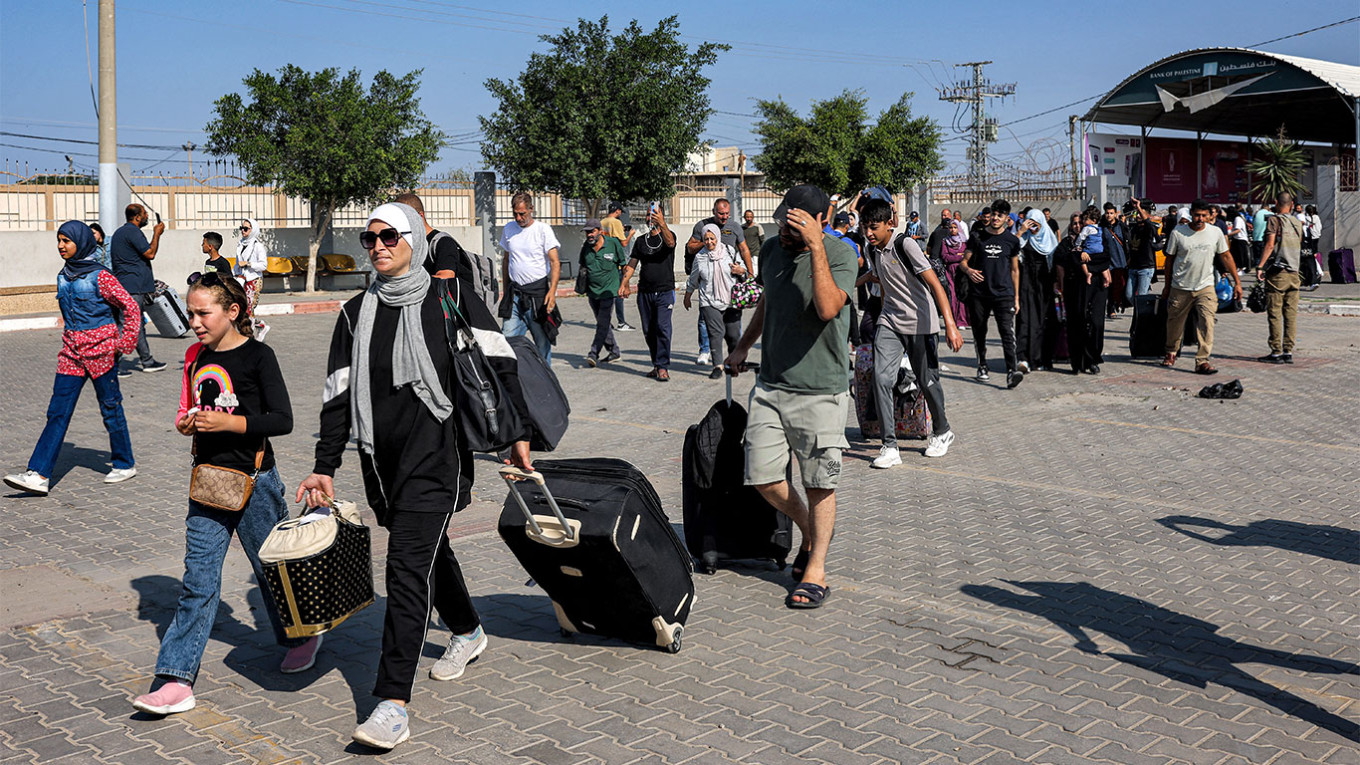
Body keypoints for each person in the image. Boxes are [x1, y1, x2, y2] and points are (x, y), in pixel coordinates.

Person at [297, 203, 532, 750]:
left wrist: (518, 432)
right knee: (427, 551)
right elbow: (337, 395)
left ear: (415, 240)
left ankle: (391, 703)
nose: (378, 246)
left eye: (389, 236)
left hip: (438, 456)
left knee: (404, 566)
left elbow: (500, 362)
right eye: (369, 238)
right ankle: (468, 630)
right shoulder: (355, 313)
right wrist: (325, 464)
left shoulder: (450, 297)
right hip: (382, 462)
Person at [130, 272, 317, 716]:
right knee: (198, 582)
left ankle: (302, 635)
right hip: (208, 482)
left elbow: (283, 419)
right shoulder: (194, 357)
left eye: (203, 313)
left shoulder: (258, 356)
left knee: (272, 572)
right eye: (190, 313)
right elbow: (186, 409)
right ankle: (176, 680)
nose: (194, 322)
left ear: (233, 312)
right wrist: (186, 423)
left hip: (255, 482)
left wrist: (230, 423)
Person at [724, 184, 857, 611]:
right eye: (783, 221)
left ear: (820, 221)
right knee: (762, 477)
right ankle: (811, 531)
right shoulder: (771, 251)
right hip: (771, 384)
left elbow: (828, 307)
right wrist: (743, 345)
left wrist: (816, 246)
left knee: (819, 484)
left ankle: (816, 569)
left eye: (796, 225)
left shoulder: (841, 254)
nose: (785, 230)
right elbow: (770, 300)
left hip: (820, 390)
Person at [4, 221, 141, 496]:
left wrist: (123, 344)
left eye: (66, 241)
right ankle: (39, 474)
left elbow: (130, 306)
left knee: (110, 408)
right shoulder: (63, 276)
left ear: (81, 242)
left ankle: (124, 463)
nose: (61, 246)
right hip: (71, 354)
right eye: (59, 240)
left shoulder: (101, 277)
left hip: (101, 352)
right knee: (57, 411)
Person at [858, 199, 963, 468]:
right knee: (881, 378)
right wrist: (883, 316)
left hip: (920, 323)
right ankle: (889, 446)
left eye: (873, 227)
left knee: (927, 380)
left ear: (889, 224)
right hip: (890, 321)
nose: (868, 233)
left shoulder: (906, 245)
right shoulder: (872, 250)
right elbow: (884, 284)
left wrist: (950, 325)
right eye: (865, 227)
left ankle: (942, 431)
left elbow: (935, 285)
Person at [1161, 199, 1240, 374]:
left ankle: (1202, 360)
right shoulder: (1178, 233)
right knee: (1175, 322)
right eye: (1197, 215)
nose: (1200, 219)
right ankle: (1171, 351)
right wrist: (1167, 286)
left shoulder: (1215, 232)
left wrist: (1237, 282)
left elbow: (1226, 256)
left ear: (1209, 215)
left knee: (1207, 322)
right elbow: (1169, 260)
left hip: (1206, 286)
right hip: (1181, 286)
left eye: (1204, 216)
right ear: (1191, 214)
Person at [960, 200, 1024, 388]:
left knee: (1007, 332)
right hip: (979, 294)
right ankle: (982, 365)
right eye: (994, 214)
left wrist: (1016, 297)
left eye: (1000, 215)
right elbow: (963, 262)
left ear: (1006, 218)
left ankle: (1011, 372)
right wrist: (969, 271)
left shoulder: (1012, 241)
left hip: (1004, 294)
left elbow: (1015, 270)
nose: (995, 218)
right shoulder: (977, 237)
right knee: (980, 331)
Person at [685, 199, 753, 366]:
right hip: (708, 277)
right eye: (721, 213)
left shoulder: (735, 227)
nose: (724, 217)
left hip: (729, 280)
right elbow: (690, 247)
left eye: (727, 214)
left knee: (733, 324)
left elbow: (744, 249)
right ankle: (705, 350)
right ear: (714, 211)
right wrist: (709, 240)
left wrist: (750, 274)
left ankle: (735, 354)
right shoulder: (702, 226)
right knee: (705, 319)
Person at [499, 192, 561, 365]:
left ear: (531, 209)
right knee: (507, 340)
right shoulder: (509, 229)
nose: (519, 218)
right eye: (515, 214)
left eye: (522, 214)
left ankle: (545, 377)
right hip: (515, 295)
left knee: (542, 343)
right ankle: (512, 376)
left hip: (537, 296)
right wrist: (505, 290)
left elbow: (555, 262)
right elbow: (506, 260)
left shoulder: (543, 230)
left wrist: (552, 292)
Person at [620, 205, 677, 381]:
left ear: (661, 216)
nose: (650, 218)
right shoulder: (640, 241)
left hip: (665, 291)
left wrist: (663, 224)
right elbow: (632, 264)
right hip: (645, 292)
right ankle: (656, 364)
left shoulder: (669, 235)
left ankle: (663, 366)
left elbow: (671, 243)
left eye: (654, 215)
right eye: (648, 215)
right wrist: (624, 283)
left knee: (662, 328)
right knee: (649, 331)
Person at [109, 203, 167, 374]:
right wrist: (157, 234)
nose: (147, 217)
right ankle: (111, 365)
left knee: (137, 324)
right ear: (137, 217)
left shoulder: (121, 232)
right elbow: (150, 253)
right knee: (127, 324)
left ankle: (147, 361)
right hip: (132, 288)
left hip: (129, 286)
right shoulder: (132, 232)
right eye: (145, 214)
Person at [1059, 208, 1112, 375]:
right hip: (1076, 287)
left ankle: (1093, 358)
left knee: (1096, 323)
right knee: (1078, 323)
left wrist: (1088, 260)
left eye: (1080, 223)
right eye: (1075, 223)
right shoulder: (1067, 243)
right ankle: (1077, 362)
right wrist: (1081, 257)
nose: (1078, 226)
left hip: (1097, 286)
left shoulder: (1098, 236)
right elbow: (1069, 260)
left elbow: (1105, 257)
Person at [1256, 192, 1304, 364]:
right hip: (1294, 272)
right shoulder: (1297, 222)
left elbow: (1270, 245)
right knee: (1291, 314)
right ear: (1292, 204)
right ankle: (1288, 351)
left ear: (1276, 202)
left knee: (1275, 313)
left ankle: (1276, 351)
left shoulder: (1274, 220)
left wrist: (1260, 266)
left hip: (1278, 274)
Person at [393, 192, 473, 283]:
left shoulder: (443, 242)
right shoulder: (407, 244)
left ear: (420, 216)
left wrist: (410, 284)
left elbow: (446, 277)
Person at [578, 218, 625, 368]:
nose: (589, 235)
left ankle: (594, 353)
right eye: (587, 232)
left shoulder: (613, 244)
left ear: (600, 231)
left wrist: (624, 285)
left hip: (609, 291)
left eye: (592, 231)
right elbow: (583, 267)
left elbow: (624, 265)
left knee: (603, 323)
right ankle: (614, 351)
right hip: (592, 293)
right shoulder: (586, 247)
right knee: (602, 323)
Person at [1016, 208, 1058, 373]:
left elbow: (1056, 263)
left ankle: (1042, 358)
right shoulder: (1024, 238)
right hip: (1026, 284)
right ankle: (1023, 358)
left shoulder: (1049, 238)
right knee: (1025, 319)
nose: (1033, 227)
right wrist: (1021, 231)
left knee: (1044, 320)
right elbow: (1011, 249)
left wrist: (1057, 284)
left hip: (1044, 284)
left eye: (1036, 224)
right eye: (1030, 223)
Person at [234, 217, 270, 342]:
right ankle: (261, 326)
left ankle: (249, 338)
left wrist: (249, 264)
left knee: (249, 308)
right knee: (243, 308)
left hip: (254, 280)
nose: (243, 231)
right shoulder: (240, 244)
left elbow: (263, 265)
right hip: (242, 279)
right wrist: (234, 274)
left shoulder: (258, 246)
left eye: (246, 229)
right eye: (241, 228)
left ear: (253, 230)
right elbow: (238, 263)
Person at [600, 203, 635, 331]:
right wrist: (630, 234)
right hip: (616, 262)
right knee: (619, 292)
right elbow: (623, 243)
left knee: (607, 294)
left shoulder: (602, 222)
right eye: (620, 211)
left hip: (605, 262)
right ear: (618, 211)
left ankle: (606, 321)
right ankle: (621, 322)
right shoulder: (616, 222)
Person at [1100, 203, 1129, 317]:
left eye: (1111, 213)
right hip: (1109, 262)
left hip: (1122, 261)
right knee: (1110, 287)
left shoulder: (1121, 226)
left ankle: (1120, 303)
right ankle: (1111, 309)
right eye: (1107, 213)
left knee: (1121, 286)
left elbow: (1127, 240)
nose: (1109, 215)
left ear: (1115, 214)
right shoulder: (1102, 227)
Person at [1126, 199, 1159, 301]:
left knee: (1141, 297)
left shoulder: (1149, 228)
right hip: (1133, 267)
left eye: (1141, 214)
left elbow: (1148, 223)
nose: (1138, 216)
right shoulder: (1134, 228)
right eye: (1137, 214)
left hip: (1146, 268)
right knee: (1129, 295)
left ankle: (1141, 311)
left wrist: (1139, 207)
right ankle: (1140, 309)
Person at [1227, 205, 1252, 273]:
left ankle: (1241, 268)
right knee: (1236, 254)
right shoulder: (1239, 218)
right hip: (1237, 239)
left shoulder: (1237, 219)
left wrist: (1228, 234)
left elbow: (1238, 230)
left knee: (1240, 255)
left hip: (1240, 239)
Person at [1251, 203, 1273, 269]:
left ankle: (1257, 267)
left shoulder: (1256, 214)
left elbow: (1253, 223)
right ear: (1268, 207)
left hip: (1256, 237)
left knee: (1257, 255)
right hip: (1265, 238)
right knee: (1265, 255)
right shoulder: (1271, 214)